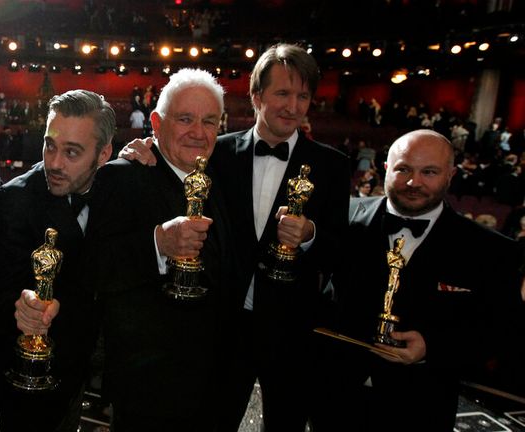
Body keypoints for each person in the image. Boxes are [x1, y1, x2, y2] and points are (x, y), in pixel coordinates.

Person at [118, 45, 350, 431]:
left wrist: (311, 236)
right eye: (282, 93)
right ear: (257, 96)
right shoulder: (215, 151)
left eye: (303, 96)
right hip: (221, 328)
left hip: (292, 333)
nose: (293, 106)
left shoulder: (332, 166)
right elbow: (168, 165)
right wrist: (140, 149)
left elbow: (340, 253)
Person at [317, 129, 523, 432]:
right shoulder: (340, 216)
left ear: (451, 175)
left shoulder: (491, 250)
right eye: (403, 169)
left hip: (421, 406)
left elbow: (501, 330)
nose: (414, 182)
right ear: (386, 168)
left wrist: (432, 347)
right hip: (333, 397)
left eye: (429, 172)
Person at [93, 68, 234, 430]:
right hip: (148, 390)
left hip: (216, 384)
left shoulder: (223, 180)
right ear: (156, 122)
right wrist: (158, 243)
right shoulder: (122, 176)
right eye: (185, 119)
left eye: (209, 121)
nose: (198, 133)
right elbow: (94, 267)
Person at [0, 89, 114, 432]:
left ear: (104, 154)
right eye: (50, 145)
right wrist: (22, 306)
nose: (54, 163)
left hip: (88, 369)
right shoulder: (14, 200)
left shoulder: (119, 189)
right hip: (25, 376)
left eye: (72, 152)